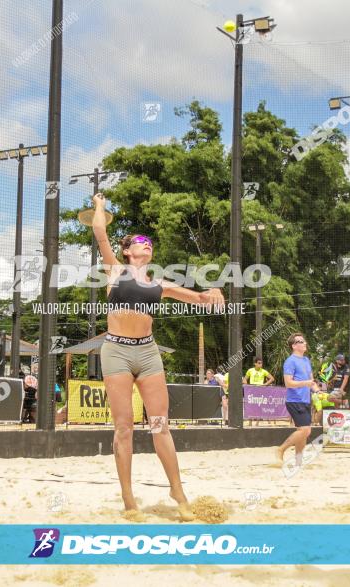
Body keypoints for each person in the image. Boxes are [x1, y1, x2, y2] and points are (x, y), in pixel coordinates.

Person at [92, 192, 224, 521]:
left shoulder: (159, 284)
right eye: (140, 241)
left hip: (148, 353)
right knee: (124, 428)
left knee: (160, 425)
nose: (146, 244)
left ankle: (177, 490)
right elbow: (99, 232)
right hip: (117, 352)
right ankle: (128, 498)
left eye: (149, 242)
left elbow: (200, 299)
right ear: (126, 251)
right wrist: (99, 207)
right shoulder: (115, 272)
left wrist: (214, 291)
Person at [275, 332, 319, 469]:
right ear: (294, 346)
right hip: (294, 400)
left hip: (305, 400)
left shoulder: (306, 360)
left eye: (304, 341)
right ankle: (281, 449)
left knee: (305, 432)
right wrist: (306, 383)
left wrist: (317, 391)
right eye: (301, 341)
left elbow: (311, 382)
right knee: (304, 431)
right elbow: (288, 383)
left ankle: (298, 462)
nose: (305, 343)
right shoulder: (290, 361)